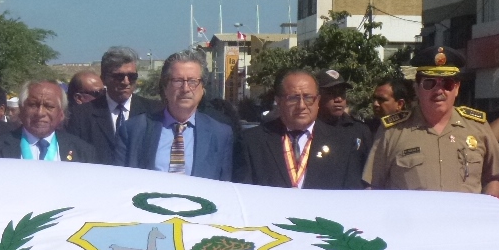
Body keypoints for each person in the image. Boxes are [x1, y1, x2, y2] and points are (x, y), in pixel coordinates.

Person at [364, 46, 499, 194]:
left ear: (457, 88)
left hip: (464, 216)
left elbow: (494, 178)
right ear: (416, 87)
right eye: (430, 83)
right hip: (411, 217)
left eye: (447, 84)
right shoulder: (393, 131)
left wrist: (482, 213)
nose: (439, 91)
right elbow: (374, 185)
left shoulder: (478, 127)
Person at [234, 69, 363, 189]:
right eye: (293, 98)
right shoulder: (252, 142)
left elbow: (350, 196)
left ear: (318, 100)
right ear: (278, 101)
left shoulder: (342, 143)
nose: (301, 106)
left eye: (308, 98)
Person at [114, 50, 232, 180]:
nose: (185, 88)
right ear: (165, 87)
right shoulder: (134, 130)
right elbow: (121, 183)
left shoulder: (220, 134)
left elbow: (224, 188)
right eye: (178, 81)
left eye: (192, 81)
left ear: (202, 88)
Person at [65, 47, 160, 164]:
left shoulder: (154, 112)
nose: (126, 82)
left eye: (132, 76)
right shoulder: (81, 116)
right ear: (104, 79)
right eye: (119, 77)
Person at [0, 80, 97, 162]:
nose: (40, 113)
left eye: (49, 106)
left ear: (61, 114)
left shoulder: (83, 152)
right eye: (33, 105)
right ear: (21, 110)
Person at [316, 70, 372, 160]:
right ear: (318, 96)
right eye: (331, 93)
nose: (338, 99)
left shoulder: (359, 130)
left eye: (342, 93)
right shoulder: (309, 130)